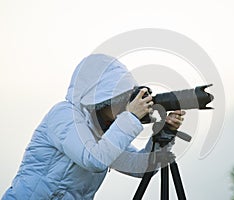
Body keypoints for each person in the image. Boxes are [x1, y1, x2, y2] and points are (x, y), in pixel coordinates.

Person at [2, 54, 185, 199]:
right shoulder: (64, 115)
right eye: (122, 98)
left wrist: (165, 133)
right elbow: (93, 159)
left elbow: (138, 167)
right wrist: (130, 117)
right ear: (102, 98)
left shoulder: (104, 132)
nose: (125, 105)